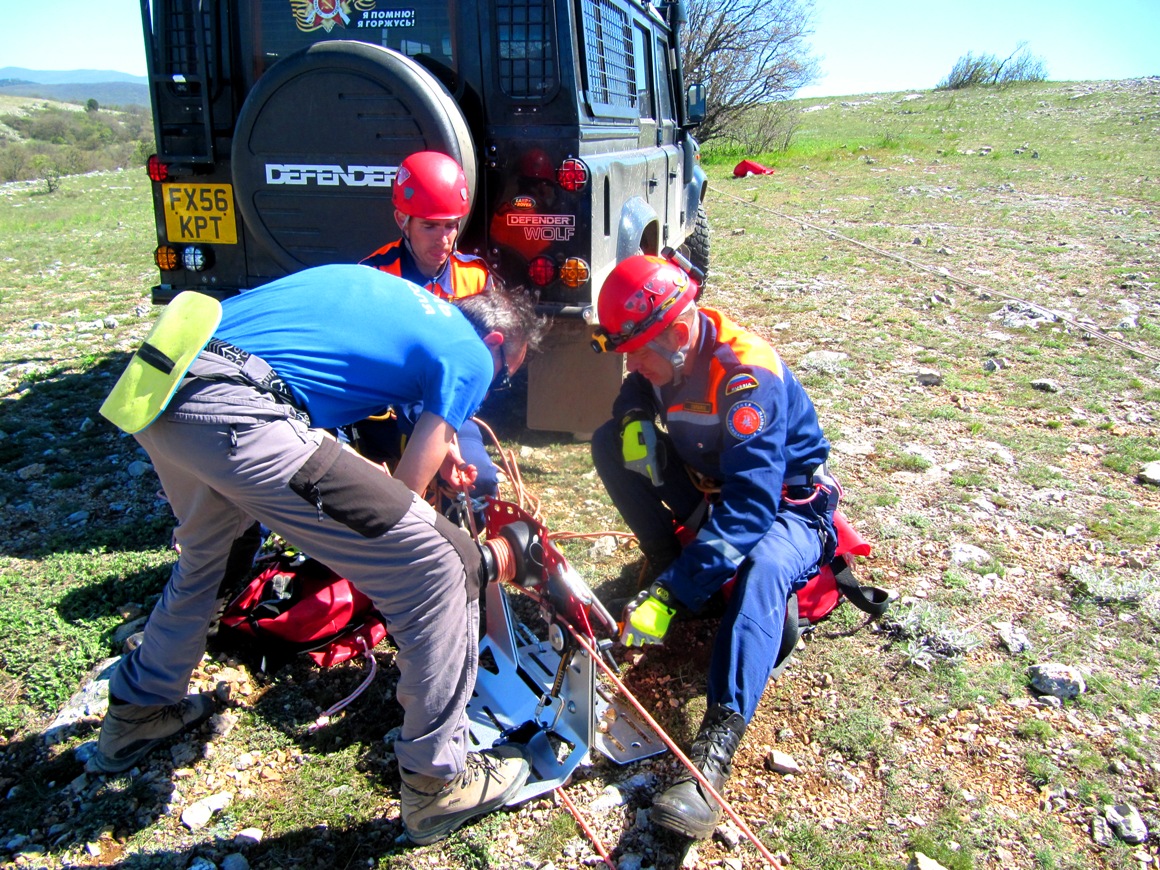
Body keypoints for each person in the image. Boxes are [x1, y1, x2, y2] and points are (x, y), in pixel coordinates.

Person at [90, 263, 547, 846]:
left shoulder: (402, 302)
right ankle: (437, 783)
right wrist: (473, 554)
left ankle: (138, 710)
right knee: (440, 565)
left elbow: (411, 409)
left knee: (213, 554)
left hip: (164, 385)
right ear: (495, 343)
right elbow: (401, 507)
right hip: (240, 409)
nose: (492, 383)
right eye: (504, 375)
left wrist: (444, 445)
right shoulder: (473, 352)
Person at [589, 253, 839, 840]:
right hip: (712, 487)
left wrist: (669, 598)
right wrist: (632, 419)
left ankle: (711, 759)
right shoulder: (667, 356)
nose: (634, 365)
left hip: (784, 504)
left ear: (678, 334)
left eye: (642, 353)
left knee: (761, 572)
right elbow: (635, 386)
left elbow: (752, 508)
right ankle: (676, 567)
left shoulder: (747, 378)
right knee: (609, 444)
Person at [356, 151, 501, 511]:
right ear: (402, 220)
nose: (444, 239)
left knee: (480, 482)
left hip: (449, 409)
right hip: (382, 410)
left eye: (451, 225)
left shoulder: (476, 278)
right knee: (370, 494)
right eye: (430, 226)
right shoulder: (373, 277)